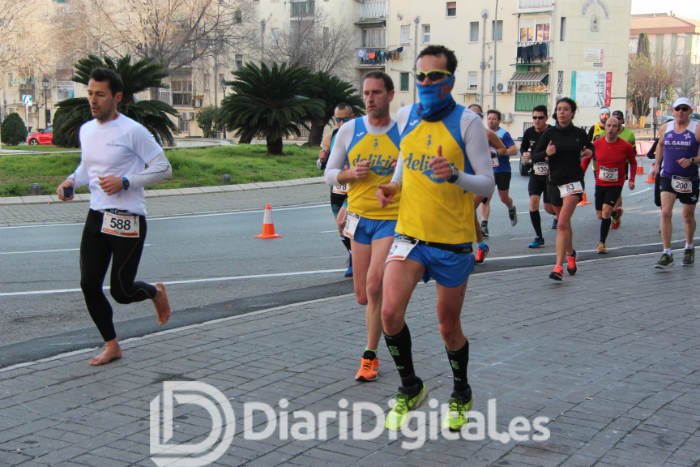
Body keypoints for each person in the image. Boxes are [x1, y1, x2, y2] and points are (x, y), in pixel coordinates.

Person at [376, 45, 494, 432]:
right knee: (389, 314)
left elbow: (487, 183)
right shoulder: (407, 115)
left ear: (450, 82)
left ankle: (461, 392)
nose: (425, 82)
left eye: (434, 77)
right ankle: (411, 387)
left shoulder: (468, 123)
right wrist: (393, 187)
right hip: (410, 235)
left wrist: (455, 175)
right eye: (420, 76)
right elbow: (404, 161)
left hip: (451, 242)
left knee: (448, 327)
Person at [55, 68, 172, 366]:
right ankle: (112, 345)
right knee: (89, 284)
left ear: (117, 97)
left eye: (100, 95)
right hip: (97, 215)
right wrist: (71, 181)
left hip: (128, 218)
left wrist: (126, 181)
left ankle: (154, 292)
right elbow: (87, 167)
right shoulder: (86, 130)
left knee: (122, 291)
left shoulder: (133, 131)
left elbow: (164, 168)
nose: (93, 100)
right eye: (90, 93)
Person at [324, 71, 400, 382]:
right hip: (358, 218)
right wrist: (349, 175)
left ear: (390, 95)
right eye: (366, 93)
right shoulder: (349, 130)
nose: (370, 99)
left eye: (376, 93)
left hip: (390, 219)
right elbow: (329, 172)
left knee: (374, 285)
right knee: (362, 295)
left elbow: (420, 173)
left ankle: (370, 355)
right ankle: (389, 318)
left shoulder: (403, 132)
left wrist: (402, 172)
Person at [532, 97, 593, 281]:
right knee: (564, 224)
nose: (562, 112)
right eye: (559, 109)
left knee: (561, 224)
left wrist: (589, 152)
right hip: (554, 183)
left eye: (566, 109)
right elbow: (534, 155)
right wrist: (546, 153)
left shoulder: (579, 133)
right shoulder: (549, 133)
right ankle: (571, 253)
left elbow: (591, 148)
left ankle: (558, 267)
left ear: (572, 113)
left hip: (573, 183)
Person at [654, 97, 700, 268]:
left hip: (689, 179)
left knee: (687, 216)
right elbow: (660, 144)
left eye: (684, 109)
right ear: (673, 111)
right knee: (665, 213)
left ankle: (689, 246)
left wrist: (692, 160)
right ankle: (667, 253)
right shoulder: (666, 127)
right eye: (678, 109)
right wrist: (657, 164)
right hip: (668, 176)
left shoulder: (696, 129)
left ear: (690, 111)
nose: (681, 112)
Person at [581, 117, 636, 253]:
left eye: (614, 126)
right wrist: (580, 175)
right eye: (609, 125)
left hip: (616, 184)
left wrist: (631, 179)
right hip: (600, 183)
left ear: (619, 129)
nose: (611, 129)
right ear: (605, 127)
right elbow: (586, 160)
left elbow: (633, 162)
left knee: (606, 212)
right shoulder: (596, 144)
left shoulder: (626, 146)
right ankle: (615, 214)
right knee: (600, 215)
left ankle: (602, 243)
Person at [318, 103, 355, 277]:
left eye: (344, 120)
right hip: (336, 189)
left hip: (354, 188)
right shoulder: (332, 136)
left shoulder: (359, 135)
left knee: (347, 223)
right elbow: (323, 166)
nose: (340, 123)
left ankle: (355, 261)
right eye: (337, 120)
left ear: (352, 118)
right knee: (340, 227)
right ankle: (353, 255)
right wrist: (322, 159)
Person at [467, 103, 504, 263]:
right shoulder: (459, 133)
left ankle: (465, 248)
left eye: (478, 115)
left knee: (467, 209)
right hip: (465, 179)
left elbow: (503, 149)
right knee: (468, 213)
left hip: (483, 179)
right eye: (470, 114)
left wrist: (491, 153)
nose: (473, 118)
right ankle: (481, 245)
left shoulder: (487, 134)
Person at [520, 105, 556, 248]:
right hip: (536, 173)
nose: (537, 120)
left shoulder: (552, 132)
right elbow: (523, 148)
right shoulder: (529, 132)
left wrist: (546, 155)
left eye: (540, 118)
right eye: (534, 117)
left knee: (548, 208)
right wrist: (525, 154)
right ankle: (539, 237)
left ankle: (559, 214)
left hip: (550, 175)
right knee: (533, 203)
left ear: (546, 118)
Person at [479, 109, 518, 237]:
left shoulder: (503, 134)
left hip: (502, 170)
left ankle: (511, 207)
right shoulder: (483, 133)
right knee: (485, 198)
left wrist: (497, 152)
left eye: (494, 119)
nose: (491, 121)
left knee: (503, 198)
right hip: (488, 171)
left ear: (499, 121)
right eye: (489, 118)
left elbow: (514, 150)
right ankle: (484, 225)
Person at [609, 109, 636, 229]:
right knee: (606, 193)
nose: (616, 121)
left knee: (616, 192)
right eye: (614, 118)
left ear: (623, 121)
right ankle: (612, 210)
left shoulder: (629, 134)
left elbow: (633, 154)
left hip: (621, 167)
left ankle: (616, 212)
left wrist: (632, 179)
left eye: (618, 119)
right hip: (606, 167)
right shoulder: (606, 131)